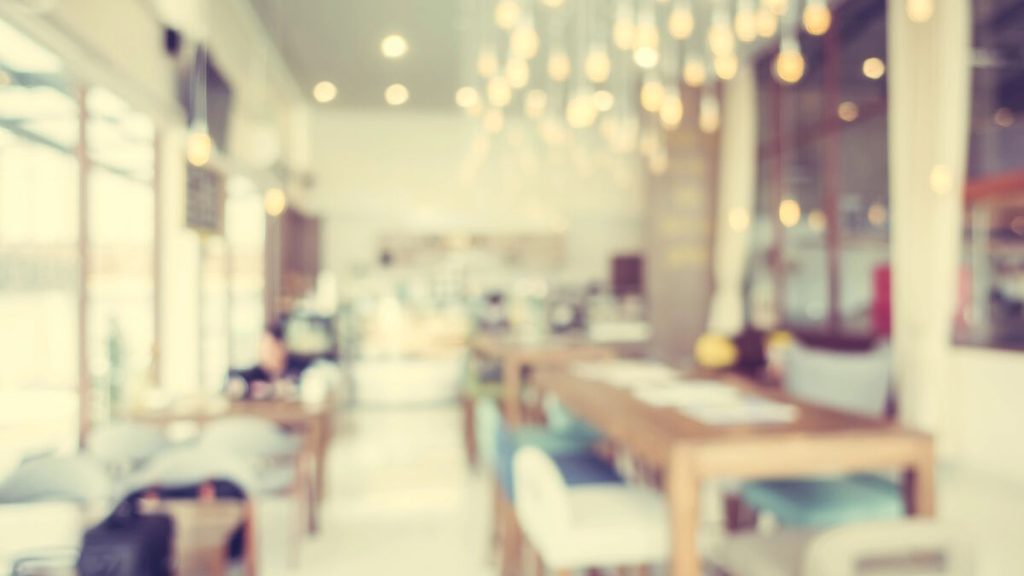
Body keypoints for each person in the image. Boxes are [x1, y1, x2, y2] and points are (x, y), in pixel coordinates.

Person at [226, 322, 301, 401]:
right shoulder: (254, 374)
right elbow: (236, 380)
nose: (265, 355)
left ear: (281, 347)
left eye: (270, 349)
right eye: (263, 349)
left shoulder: (295, 369)